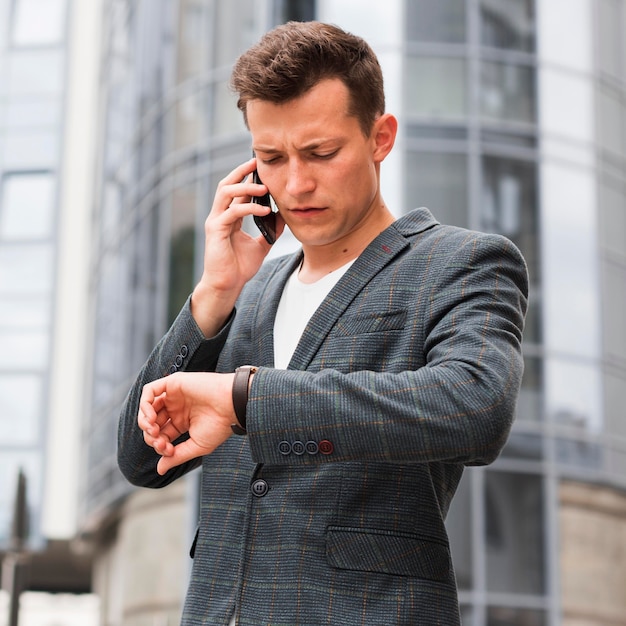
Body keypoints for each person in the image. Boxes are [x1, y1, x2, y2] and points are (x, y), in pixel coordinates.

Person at [117, 20, 528, 626]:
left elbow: (476, 406)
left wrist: (246, 399)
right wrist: (214, 293)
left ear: (380, 137)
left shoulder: (460, 262)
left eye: (321, 153)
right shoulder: (247, 297)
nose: (295, 184)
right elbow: (141, 458)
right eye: (271, 159)